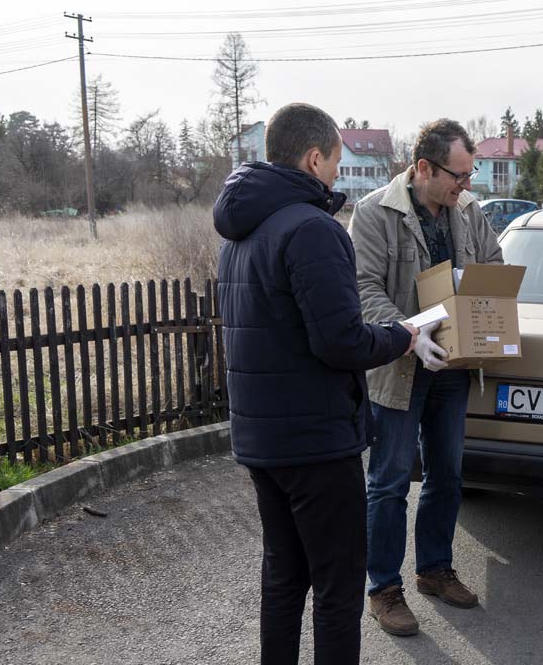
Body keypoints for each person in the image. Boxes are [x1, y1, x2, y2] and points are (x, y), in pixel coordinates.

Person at [214, 102, 421, 664]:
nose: (337, 173)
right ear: (313, 157)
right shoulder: (312, 229)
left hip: (262, 439)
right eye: (334, 160)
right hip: (315, 441)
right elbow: (342, 342)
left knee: (284, 576)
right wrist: (399, 336)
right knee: (336, 585)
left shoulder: (239, 231)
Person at [351, 118, 504, 637]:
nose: (467, 185)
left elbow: (495, 266)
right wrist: (412, 334)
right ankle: (384, 589)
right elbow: (363, 289)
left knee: (448, 475)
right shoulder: (375, 213)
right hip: (398, 368)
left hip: (453, 367)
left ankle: (435, 570)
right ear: (423, 167)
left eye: (470, 174)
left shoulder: (468, 212)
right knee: (390, 482)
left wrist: (478, 295)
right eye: (459, 175)